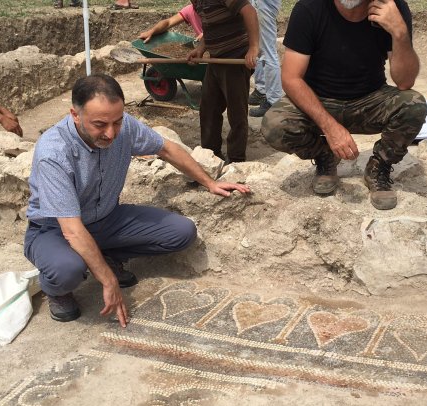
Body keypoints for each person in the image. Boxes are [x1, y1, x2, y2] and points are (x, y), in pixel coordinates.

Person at [24, 74, 250, 327]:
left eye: (117, 122)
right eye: (100, 124)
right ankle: (57, 290)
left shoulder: (124, 127)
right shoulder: (54, 152)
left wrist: (209, 182)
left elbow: (166, 148)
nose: (111, 133)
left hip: (106, 219)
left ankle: (107, 255)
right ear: (75, 115)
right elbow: (72, 230)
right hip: (54, 229)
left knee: (181, 232)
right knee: (66, 270)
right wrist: (109, 282)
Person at [260, 0, 426, 210]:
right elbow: (291, 78)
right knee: (274, 124)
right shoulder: (310, 8)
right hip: (320, 100)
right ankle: (325, 156)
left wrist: (400, 33)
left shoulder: (392, 8)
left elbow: (405, 82)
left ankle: (379, 166)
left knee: (414, 105)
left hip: (370, 99)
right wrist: (330, 128)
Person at [186, 0, 259, 163]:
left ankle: (236, 159)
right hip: (216, 59)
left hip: (235, 56)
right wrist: (200, 49)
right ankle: (211, 154)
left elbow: (249, 12)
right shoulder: (197, 2)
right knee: (208, 109)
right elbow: (210, 26)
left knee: (236, 112)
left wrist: (253, 47)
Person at [247, 0, 282, 117]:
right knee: (259, 49)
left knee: (268, 52)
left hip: (264, 3)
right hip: (261, 3)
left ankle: (273, 101)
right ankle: (261, 90)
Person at [138, 2, 203, 41]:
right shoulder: (190, 10)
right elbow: (168, 23)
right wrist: (151, 32)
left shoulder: (212, 12)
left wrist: (206, 35)